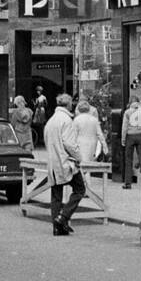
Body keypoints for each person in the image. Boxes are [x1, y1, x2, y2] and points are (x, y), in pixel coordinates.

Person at [44, 93, 85, 236]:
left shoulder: (51, 121)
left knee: (56, 195)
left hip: (53, 162)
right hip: (65, 162)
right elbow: (70, 144)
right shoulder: (67, 120)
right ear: (69, 105)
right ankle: (63, 217)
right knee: (80, 189)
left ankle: (57, 226)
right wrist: (79, 157)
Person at [121, 94, 141, 188]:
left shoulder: (127, 112)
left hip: (130, 136)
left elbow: (124, 127)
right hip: (140, 136)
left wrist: (123, 138)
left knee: (128, 159)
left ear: (130, 102)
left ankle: (128, 183)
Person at [72, 99, 107, 163]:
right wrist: (105, 147)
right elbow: (100, 134)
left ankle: (85, 172)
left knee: (82, 162)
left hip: (80, 143)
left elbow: (73, 135)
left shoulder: (76, 120)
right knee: (90, 161)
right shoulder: (94, 120)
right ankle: (88, 172)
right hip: (92, 143)